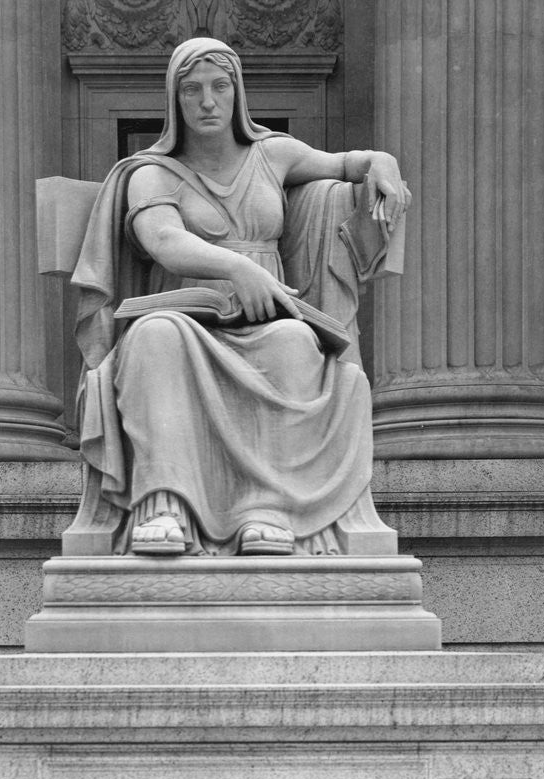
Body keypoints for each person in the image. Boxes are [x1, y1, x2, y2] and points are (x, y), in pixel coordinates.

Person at [71, 37, 411, 556]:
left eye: (219, 87)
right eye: (192, 90)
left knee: (295, 345)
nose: (207, 101)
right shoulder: (151, 173)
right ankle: (165, 502)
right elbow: (162, 239)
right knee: (154, 339)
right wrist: (235, 267)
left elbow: (347, 164)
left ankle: (266, 509)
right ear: (175, 100)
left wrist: (380, 162)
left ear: (237, 95)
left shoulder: (273, 155)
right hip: (189, 314)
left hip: (268, 318)